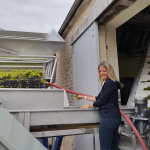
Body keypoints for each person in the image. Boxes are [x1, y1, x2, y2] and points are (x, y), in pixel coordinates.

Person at [77, 61, 121, 150]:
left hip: (108, 119)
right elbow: (98, 98)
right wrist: (84, 97)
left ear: (109, 71)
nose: (102, 73)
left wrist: (89, 105)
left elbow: (102, 101)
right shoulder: (111, 83)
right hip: (115, 118)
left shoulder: (109, 83)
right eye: (100, 71)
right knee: (113, 147)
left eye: (104, 71)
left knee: (105, 148)